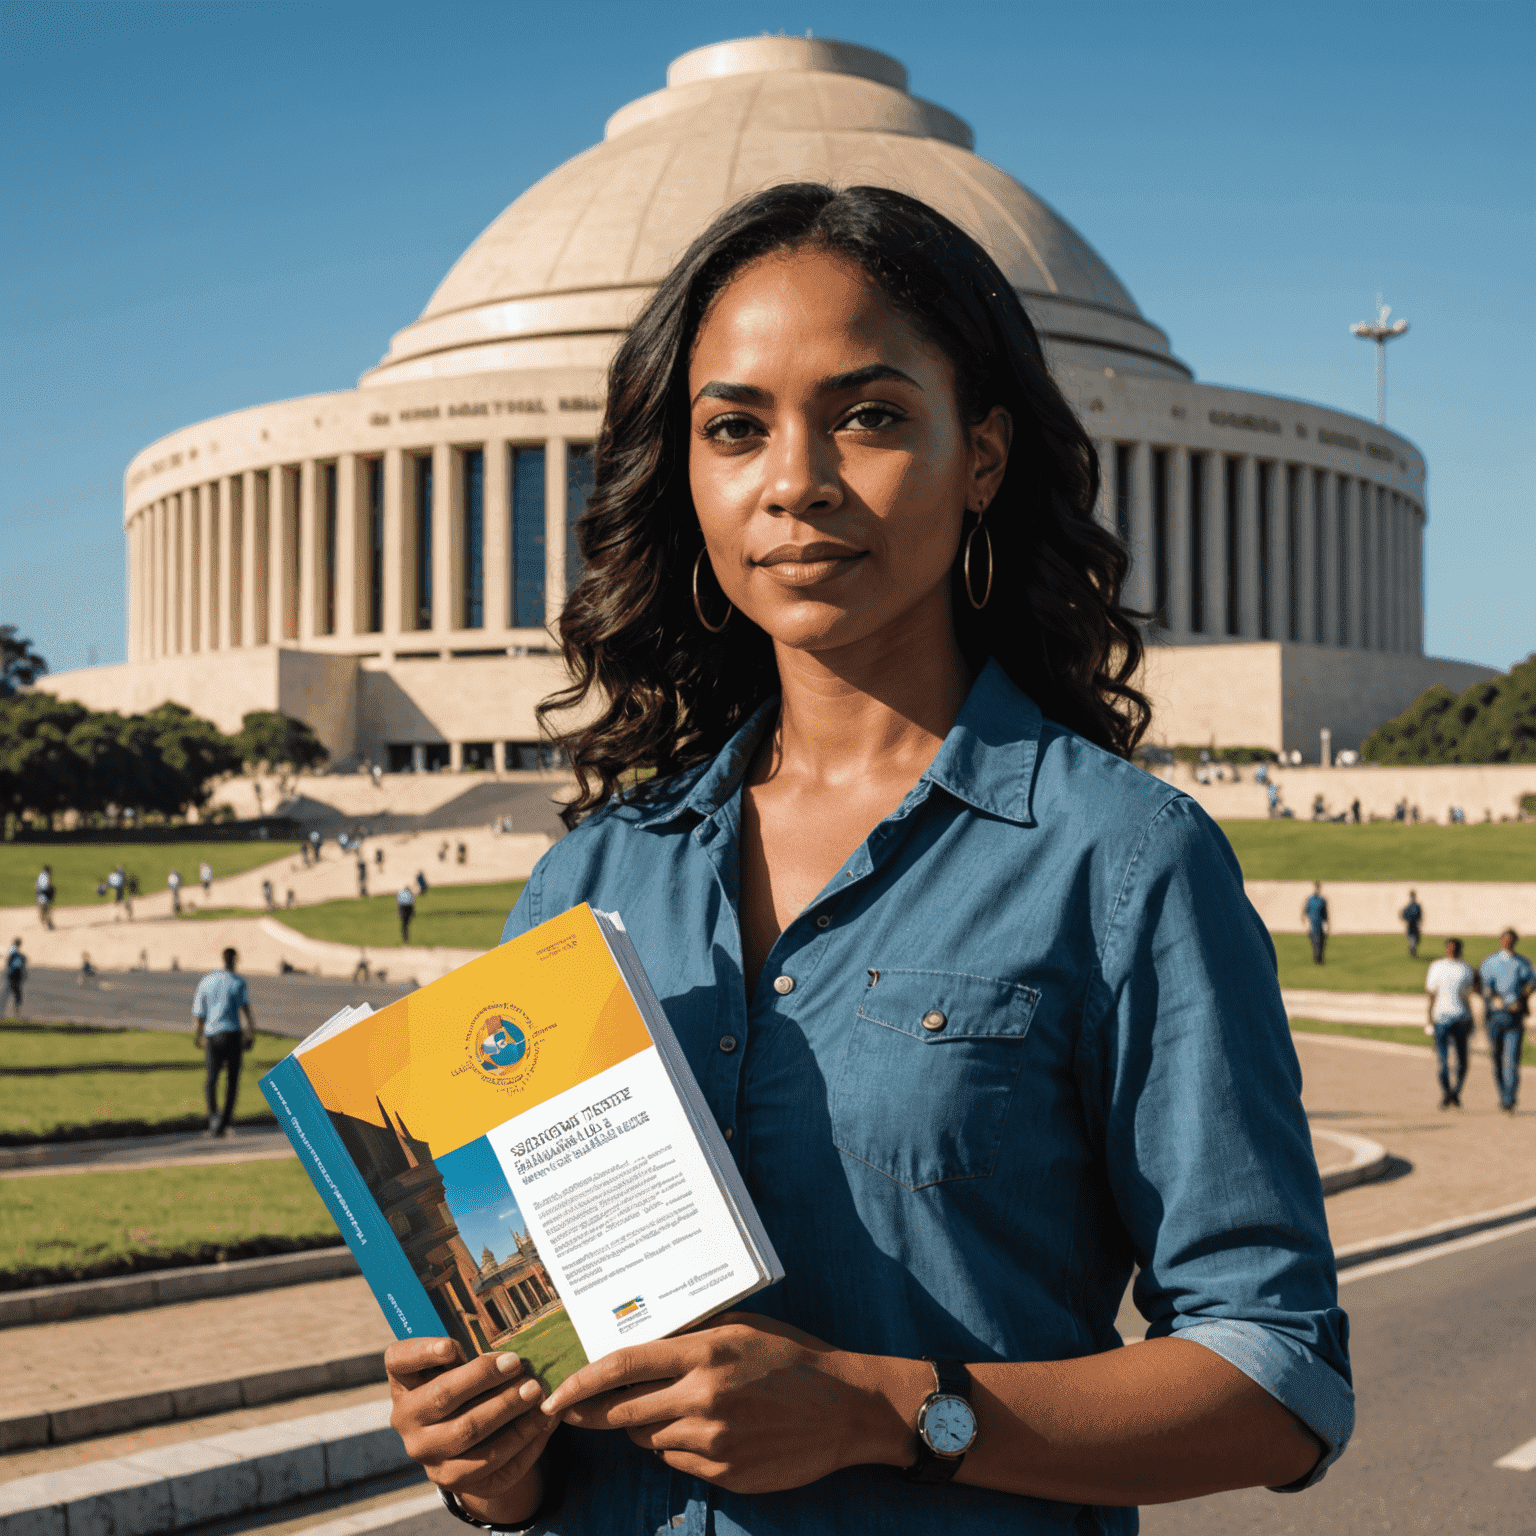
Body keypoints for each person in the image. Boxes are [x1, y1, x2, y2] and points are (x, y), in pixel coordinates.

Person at [385, 185, 1348, 1536]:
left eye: (873, 416)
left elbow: (1279, 1375)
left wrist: (882, 1412)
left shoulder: (1117, 860)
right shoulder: (590, 888)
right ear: (690, 475)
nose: (797, 481)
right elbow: (554, 1369)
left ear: (986, 456)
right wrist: (486, 1461)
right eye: (735, 429)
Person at [191, 946, 254, 1137]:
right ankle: (225, 1123)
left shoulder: (207, 980)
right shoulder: (237, 982)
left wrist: (198, 1034)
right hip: (232, 1035)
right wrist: (250, 1033)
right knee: (232, 1081)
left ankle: (214, 1117)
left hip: (213, 1035)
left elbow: (199, 1013)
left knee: (212, 1078)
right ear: (234, 960)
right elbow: (245, 1010)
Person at [1479, 929, 1534, 1113]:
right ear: (1501, 941)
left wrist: (1522, 997)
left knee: (1511, 1059)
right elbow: (1484, 987)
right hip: (1495, 1016)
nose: (1508, 943)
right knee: (1497, 1057)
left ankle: (1509, 1098)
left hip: (1514, 1018)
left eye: (1511, 940)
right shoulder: (1490, 962)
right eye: (1505, 940)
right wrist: (1497, 1000)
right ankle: (1503, 1093)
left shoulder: (1522, 963)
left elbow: (1531, 983)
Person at [1424, 938, 1478, 1108]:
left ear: (1460, 950)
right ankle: (1447, 1092)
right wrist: (1429, 1019)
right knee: (1443, 1061)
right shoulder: (1437, 967)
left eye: (1455, 948)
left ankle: (1456, 1092)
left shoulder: (1465, 969)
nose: (1452, 951)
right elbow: (1432, 995)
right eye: (1449, 948)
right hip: (1442, 1019)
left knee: (1463, 1061)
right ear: (1446, 949)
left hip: (1461, 1018)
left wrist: (1472, 1020)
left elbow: (1468, 997)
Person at [1304, 882, 1329, 965]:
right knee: (1318, 943)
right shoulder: (1317, 900)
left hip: (1317, 925)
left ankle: (1318, 959)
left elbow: (1325, 914)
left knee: (1318, 943)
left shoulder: (1314, 900)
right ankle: (1318, 959)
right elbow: (1325, 915)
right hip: (1315, 925)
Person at [5, 938, 25, 1017]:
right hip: (15, 975)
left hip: (14, 975)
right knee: (17, 994)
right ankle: (17, 1013)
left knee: (14, 994)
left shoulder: (13, 952)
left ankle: (16, 1013)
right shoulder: (16, 954)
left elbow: (9, 964)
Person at [1400, 891, 1423, 958]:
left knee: (1414, 938)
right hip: (1412, 924)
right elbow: (1403, 914)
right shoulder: (1413, 906)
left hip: (1413, 924)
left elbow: (1403, 914)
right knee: (1413, 937)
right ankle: (1412, 949)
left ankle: (1412, 948)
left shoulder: (1412, 906)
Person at [35, 866, 55, 930]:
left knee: (43, 911)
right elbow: (45, 888)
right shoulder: (45, 876)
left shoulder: (41, 875)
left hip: (40, 896)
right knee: (46, 910)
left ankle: (47, 922)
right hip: (44, 896)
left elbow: (37, 887)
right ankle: (48, 923)